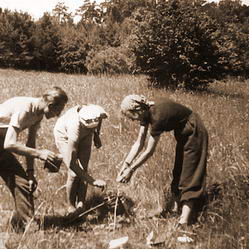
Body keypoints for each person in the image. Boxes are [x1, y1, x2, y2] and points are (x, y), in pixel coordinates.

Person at [116, 94, 208, 235]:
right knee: (178, 171)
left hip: (195, 132)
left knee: (190, 174)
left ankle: (184, 222)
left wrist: (131, 170)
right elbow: (140, 141)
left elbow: (149, 151)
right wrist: (125, 164)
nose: (132, 120)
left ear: (138, 110)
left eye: (131, 117)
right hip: (183, 134)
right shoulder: (146, 113)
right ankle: (175, 212)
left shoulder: (157, 116)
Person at [0, 86, 68, 232]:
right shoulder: (25, 109)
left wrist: (30, 172)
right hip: (3, 143)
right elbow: (9, 143)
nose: (58, 115)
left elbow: (30, 143)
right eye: (59, 110)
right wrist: (40, 154)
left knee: (23, 183)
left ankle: (28, 227)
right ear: (50, 105)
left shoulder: (38, 115)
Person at [53, 104, 108, 216]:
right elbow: (72, 164)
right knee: (74, 173)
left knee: (84, 169)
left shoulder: (97, 112)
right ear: (82, 123)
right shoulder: (75, 127)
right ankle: (71, 206)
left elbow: (100, 118)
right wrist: (93, 181)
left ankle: (81, 203)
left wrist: (96, 134)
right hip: (64, 136)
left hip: (84, 134)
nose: (92, 130)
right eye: (90, 128)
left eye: (93, 127)